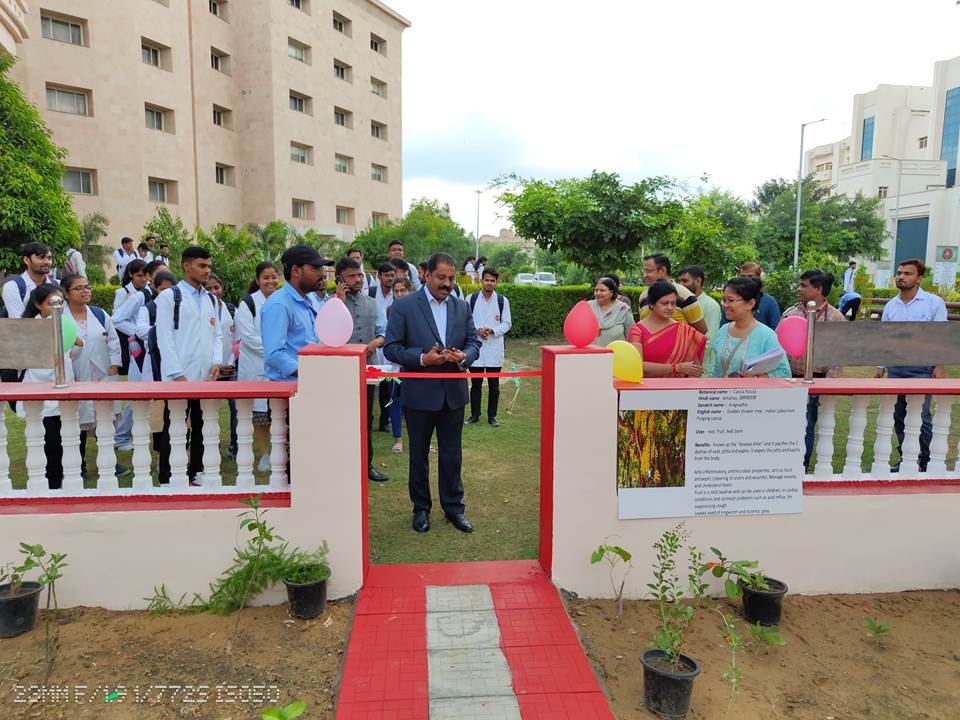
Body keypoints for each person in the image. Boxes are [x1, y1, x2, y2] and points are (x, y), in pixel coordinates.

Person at [383, 252, 482, 534]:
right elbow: (391, 348)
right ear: (426, 275)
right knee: (418, 455)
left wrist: (464, 356)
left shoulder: (461, 307)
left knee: (452, 455)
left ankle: (454, 508)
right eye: (441, 277)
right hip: (419, 395)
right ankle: (421, 509)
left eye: (451, 278)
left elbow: (474, 342)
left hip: (453, 395)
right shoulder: (404, 307)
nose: (447, 283)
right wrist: (422, 359)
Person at [154, 246, 222, 484]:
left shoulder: (210, 298)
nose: (207, 270)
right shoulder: (169, 297)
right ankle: (167, 476)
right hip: (179, 375)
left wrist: (216, 361)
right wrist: (176, 373)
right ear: (186, 266)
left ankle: (197, 471)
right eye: (202, 266)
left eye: (209, 266)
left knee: (204, 425)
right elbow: (164, 338)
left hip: (205, 375)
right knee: (175, 426)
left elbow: (217, 334)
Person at [875, 258, 947, 473]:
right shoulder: (891, 305)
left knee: (921, 416)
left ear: (919, 278)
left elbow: (940, 337)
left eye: (907, 273)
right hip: (896, 369)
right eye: (899, 273)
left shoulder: (933, 303)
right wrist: (880, 366)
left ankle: (925, 461)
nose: (901, 277)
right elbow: (885, 339)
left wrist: (939, 365)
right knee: (899, 416)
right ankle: (907, 458)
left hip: (923, 369)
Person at [61, 273, 127, 479]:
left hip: (103, 374)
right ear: (66, 294)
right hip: (75, 375)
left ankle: (109, 463)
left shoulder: (99, 314)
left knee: (105, 420)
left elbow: (113, 340)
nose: (85, 291)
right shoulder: (60, 317)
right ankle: (78, 465)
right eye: (78, 288)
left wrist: (115, 364)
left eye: (87, 286)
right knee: (76, 422)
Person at [782, 270, 846, 468]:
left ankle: (801, 467)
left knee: (807, 425)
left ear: (818, 289)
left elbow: (838, 356)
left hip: (816, 381)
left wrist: (828, 384)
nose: (798, 289)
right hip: (789, 378)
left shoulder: (835, 318)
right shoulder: (790, 313)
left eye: (804, 285)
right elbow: (778, 345)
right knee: (784, 425)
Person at [19, 284, 79, 489]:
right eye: (51, 303)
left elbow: (73, 353)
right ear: (38, 305)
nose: (57, 307)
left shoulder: (65, 323)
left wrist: (76, 343)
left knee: (68, 441)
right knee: (48, 445)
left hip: (65, 391)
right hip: (41, 394)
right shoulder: (32, 328)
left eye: (61, 302)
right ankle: (51, 485)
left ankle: (66, 482)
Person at [335, 257, 388, 482]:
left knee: (366, 417)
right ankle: (341, 465)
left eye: (359, 275)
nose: (357, 279)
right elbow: (327, 335)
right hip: (339, 371)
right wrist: (339, 302)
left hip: (367, 368)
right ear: (340, 279)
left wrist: (373, 344)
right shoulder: (331, 304)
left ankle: (367, 465)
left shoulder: (372, 303)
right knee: (341, 418)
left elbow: (383, 332)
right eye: (352, 276)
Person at [261, 246, 333, 382]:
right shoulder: (279, 304)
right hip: (290, 389)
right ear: (296, 271)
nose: (321, 274)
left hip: (309, 384)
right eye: (316, 268)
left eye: (321, 269)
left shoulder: (308, 300)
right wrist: (310, 373)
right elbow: (274, 355)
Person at [236, 261, 281, 472]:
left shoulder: (282, 300)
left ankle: (281, 450)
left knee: (280, 412)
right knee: (260, 415)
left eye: (274, 277)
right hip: (256, 365)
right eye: (266, 277)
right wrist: (277, 352)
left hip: (280, 367)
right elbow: (248, 338)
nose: (270, 281)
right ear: (258, 280)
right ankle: (265, 454)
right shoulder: (248, 304)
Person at [711, 277, 790, 378]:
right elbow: (717, 369)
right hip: (721, 388)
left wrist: (756, 380)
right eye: (724, 300)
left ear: (751, 303)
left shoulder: (767, 335)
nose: (725, 305)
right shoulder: (723, 330)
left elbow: (784, 372)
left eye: (730, 300)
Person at [627, 280, 706, 377]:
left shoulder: (685, 331)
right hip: (647, 385)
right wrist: (676, 367)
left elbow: (695, 370)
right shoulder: (637, 330)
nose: (670, 307)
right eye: (665, 303)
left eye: (673, 303)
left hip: (679, 386)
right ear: (651, 304)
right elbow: (638, 365)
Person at [466, 267, 512, 427]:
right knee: (476, 384)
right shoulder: (471, 299)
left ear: (496, 282)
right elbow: (466, 321)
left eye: (493, 280)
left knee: (494, 385)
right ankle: (475, 415)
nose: (489, 283)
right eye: (487, 280)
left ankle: (492, 417)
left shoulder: (502, 301)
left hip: (494, 348)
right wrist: (477, 330)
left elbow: (507, 323)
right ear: (481, 280)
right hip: (476, 348)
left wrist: (492, 330)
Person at [205, 273, 238, 457]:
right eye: (208, 288)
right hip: (208, 370)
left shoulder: (231, 310)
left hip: (229, 369)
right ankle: (210, 448)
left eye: (216, 287)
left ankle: (235, 446)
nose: (213, 292)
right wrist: (214, 364)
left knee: (236, 407)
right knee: (209, 410)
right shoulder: (200, 311)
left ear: (222, 288)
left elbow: (237, 340)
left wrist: (230, 363)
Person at [638, 254, 709, 335]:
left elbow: (701, 331)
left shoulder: (685, 296)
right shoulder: (643, 297)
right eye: (644, 271)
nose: (644, 275)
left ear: (663, 270)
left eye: (648, 271)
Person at [385, 277, 413, 452]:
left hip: (415, 362)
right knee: (395, 401)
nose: (400, 294)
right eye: (396, 291)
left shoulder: (420, 310)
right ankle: (398, 439)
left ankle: (423, 439)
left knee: (417, 403)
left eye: (403, 290)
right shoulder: (390, 310)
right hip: (395, 363)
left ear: (410, 291)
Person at [677, 265, 720, 374]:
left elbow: (708, 341)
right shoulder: (678, 303)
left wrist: (683, 355)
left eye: (685, 281)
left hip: (701, 368)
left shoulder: (711, 305)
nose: (681, 285)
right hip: (680, 366)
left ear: (698, 281)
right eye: (679, 281)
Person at [369, 262, 396, 431]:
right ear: (379, 276)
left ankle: (384, 421)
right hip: (373, 346)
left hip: (390, 347)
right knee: (369, 385)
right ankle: (367, 419)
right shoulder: (370, 293)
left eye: (392, 275)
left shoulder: (398, 294)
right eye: (386, 275)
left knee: (388, 386)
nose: (390, 279)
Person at [112, 259, 150, 376]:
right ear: (130, 274)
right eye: (139, 276)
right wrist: (137, 331)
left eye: (145, 276)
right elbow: (117, 317)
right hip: (130, 337)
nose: (143, 279)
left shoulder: (150, 291)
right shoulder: (122, 292)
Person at [1, 242, 55, 319]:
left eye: (49, 258)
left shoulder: (56, 284)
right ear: (26, 260)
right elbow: (18, 321)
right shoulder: (13, 287)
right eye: (41, 258)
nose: (47, 262)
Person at [721, 262, 780, 330]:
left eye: (750, 276)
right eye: (743, 277)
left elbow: (776, 329)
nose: (746, 280)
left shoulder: (769, 302)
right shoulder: (729, 302)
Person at [589, 277, 633, 346]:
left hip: (617, 351)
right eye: (596, 290)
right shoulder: (588, 306)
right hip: (592, 351)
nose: (598, 293)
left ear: (612, 292)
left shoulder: (623, 309)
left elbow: (631, 335)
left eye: (602, 290)